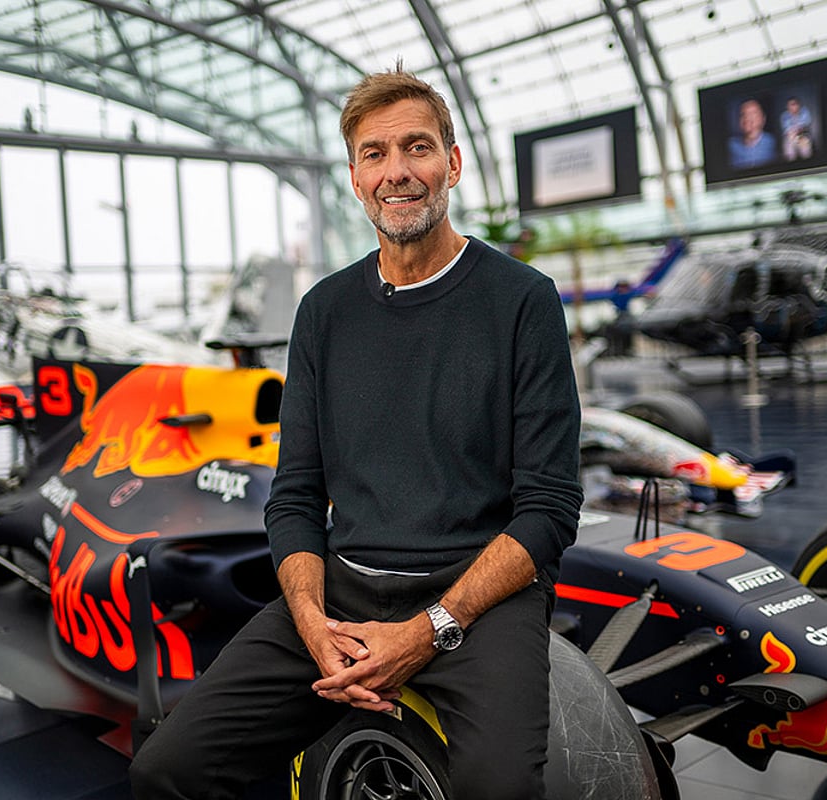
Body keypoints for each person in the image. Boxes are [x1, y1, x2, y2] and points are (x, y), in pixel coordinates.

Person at [128, 65, 583, 799]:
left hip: (481, 599)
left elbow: (549, 511)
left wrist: (427, 631)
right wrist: (311, 623)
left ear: (453, 163)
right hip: (345, 589)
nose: (397, 172)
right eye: (375, 154)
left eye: (417, 148)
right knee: (165, 770)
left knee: (501, 790)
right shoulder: (325, 311)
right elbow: (297, 497)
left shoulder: (522, 301)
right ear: (353, 175)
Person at [728, 98, 777, 170]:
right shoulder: (730, 145)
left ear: (763, 119)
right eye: (743, 114)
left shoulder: (773, 142)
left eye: (753, 114)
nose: (747, 118)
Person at [780, 96, 813, 161]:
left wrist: (799, 130)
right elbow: (786, 130)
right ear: (787, 107)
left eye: (794, 104)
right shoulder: (784, 115)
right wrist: (793, 132)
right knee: (789, 151)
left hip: (802, 134)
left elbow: (807, 124)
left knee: (806, 152)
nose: (792, 107)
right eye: (789, 105)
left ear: (798, 105)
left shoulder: (805, 111)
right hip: (791, 136)